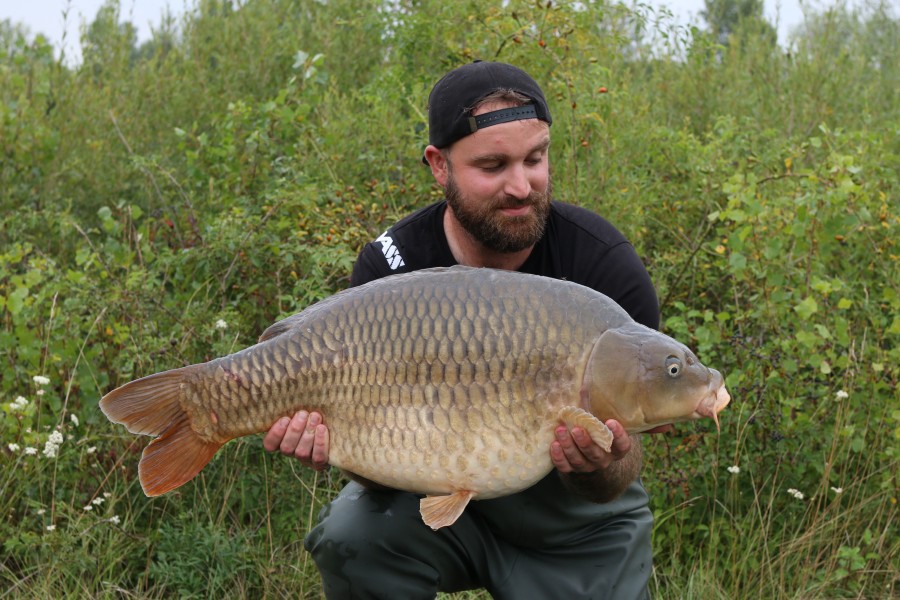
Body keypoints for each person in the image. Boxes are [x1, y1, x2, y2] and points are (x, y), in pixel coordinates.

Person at [263, 60, 669, 599]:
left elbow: (622, 474)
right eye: (493, 165)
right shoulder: (391, 267)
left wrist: (600, 464)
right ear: (439, 165)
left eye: (535, 158)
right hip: (429, 507)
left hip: (577, 525)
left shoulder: (602, 264)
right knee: (351, 534)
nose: (521, 186)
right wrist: (333, 446)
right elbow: (379, 472)